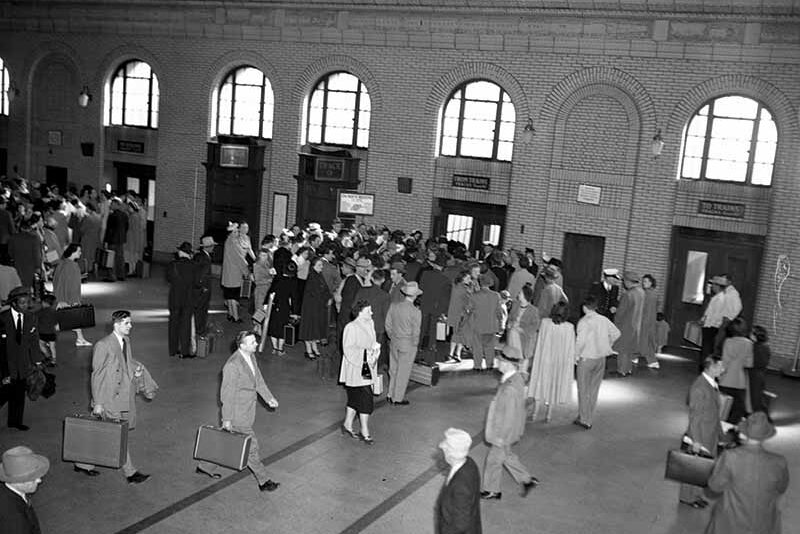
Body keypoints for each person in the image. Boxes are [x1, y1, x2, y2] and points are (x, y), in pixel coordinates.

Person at [195, 331, 280, 491]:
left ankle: (205, 467)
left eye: (255, 341)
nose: (256, 344)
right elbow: (226, 395)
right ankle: (264, 480)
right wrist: (227, 419)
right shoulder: (232, 365)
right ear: (242, 346)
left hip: (247, 410)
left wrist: (269, 398)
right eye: (252, 342)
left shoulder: (251, 357)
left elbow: (259, 381)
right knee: (251, 447)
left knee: (228, 440)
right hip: (237, 414)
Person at [74, 310, 151, 483]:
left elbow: (125, 361)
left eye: (130, 322)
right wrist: (99, 402)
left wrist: (135, 369)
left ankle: (83, 463)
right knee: (119, 433)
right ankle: (130, 473)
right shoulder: (103, 345)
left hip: (122, 394)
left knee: (103, 431)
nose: (130, 326)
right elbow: (97, 375)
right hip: (108, 397)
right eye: (127, 323)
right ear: (116, 325)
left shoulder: (126, 340)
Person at [705, 412, 789, 534]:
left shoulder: (730, 456)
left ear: (744, 434)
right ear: (765, 436)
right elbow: (781, 488)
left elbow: (715, 486)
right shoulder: (779, 461)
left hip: (730, 521)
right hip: (764, 523)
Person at [480, 346, 539, 501]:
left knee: (493, 461)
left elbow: (510, 414)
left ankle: (492, 490)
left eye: (500, 360)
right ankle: (527, 480)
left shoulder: (510, 387)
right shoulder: (514, 379)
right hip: (508, 430)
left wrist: (501, 436)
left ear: (508, 364)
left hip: (503, 431)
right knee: (506, 456)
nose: (497, 362)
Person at [679, 355, 725, 509]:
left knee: (703, 466)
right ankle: (687, 497)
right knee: (693, 467)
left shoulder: (711, 383)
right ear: (710, 367)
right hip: (701, 433)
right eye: (720, 366)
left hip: (709, 431)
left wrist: (719, 432)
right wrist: (696, 440)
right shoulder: (700, 387)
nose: (723, 369)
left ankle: (696, 494)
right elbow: (695, 416)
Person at [574, 296, 621, 430]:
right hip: (601, 358)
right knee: (594, 390)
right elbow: (617, 333)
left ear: (584, 307)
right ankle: (587, 415)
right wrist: (608, 344)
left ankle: (584, 419)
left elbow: (580, 342)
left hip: (586, 358)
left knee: (583, 389)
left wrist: (575, 356)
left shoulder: (583, 322)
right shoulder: (604, 319)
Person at [0, 286, 42, 431]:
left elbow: (34, 340)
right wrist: (3, 372)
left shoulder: (31, 317)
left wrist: (37, 361)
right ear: (13, 303)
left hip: (23, 363)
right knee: (4, 392)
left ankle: (15, 421)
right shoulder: (2, 319)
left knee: (19, 393)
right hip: (6, 363)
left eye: (27, 302)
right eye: (22, 303)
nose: (26, 305)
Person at [339, 300, 380, 444]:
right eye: (369, 311)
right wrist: (366, 352)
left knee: (355, 398)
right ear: (360, 312)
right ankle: (364, 430)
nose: (372, 313)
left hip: (367, 366)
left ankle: (347, 425)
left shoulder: (370, 324)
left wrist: (374, 351)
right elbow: (348, 349)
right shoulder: (351, 327)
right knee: (366, 400)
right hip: (356, 368)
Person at [527, 301, 575, 423]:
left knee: (540, 383)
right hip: (559, 361)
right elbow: (570, 348)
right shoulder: (569, 327)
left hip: (544, 359)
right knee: (554, 384)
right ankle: (549, 414)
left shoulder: (545, 323)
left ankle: (535, 412)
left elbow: (540, 342)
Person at [436, 428, 482, 534]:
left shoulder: (461, 487)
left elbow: (461, 524)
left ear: (452, 453)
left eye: (446, 447)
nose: (442, 448)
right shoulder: (469, 463)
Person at [385, 281, 422, 406]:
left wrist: (392, 336)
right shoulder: (416, 312)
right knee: (403, 372)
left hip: (394, 341)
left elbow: (388, 324)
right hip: (408, 343)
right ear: (415, 296)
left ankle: (390, 394)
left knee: (393, 370)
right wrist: (415, 344)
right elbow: (416, 331)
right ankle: (397, 398)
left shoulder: (394, 306)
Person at [0, 445, 49, 533]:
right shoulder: (15, 522)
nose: (39, 480)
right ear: (18, 481)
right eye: (33, 478)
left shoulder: (8, 490)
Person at [52, 243, 92, 347]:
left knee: (66, 322)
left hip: (61, 296)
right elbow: (71, 285)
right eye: (79, 251)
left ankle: (80, 339)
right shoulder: (72, 266)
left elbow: (58, 281)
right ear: (73, 252)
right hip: (68, 297)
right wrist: (73, 300)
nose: (80, 253)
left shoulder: (62, 264)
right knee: (74, 320)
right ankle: (80, 339)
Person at [718, 317, 753, 424]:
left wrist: (718, 375)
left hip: (726, 379)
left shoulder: (728, 342)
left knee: (723, 409)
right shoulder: (749, 343)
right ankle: (731, 431)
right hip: (740, 381)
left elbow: (725, 362)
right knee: (736, 410)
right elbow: (749, 364)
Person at [166, 242, 198, 359]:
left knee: (173, 323)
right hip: (188, 298)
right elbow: (196, 282)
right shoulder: (194, 265)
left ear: (181, 252)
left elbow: (168, 278)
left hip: (175, 298)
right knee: (186, 324)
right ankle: (184, 351)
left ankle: (173, 350)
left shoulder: (172, 264)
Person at [299, 256, 332, 360]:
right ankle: (309, 349)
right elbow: (317, 293)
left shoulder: (318, 275)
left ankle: (314, 347)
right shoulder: (312, 277)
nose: (321, 267)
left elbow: (325, 290)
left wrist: (328, 297)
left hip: (317, 307)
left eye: (321, 265)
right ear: (313, 266)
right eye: (319, 265)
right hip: (311, 308)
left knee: (314, 328)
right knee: (310, 328)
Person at [612, 270, 644, 377]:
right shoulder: (641, 292)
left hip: (625, 325)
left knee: (623, 349)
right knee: (629, 349)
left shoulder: (627, 295)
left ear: (628, 281)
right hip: (636, 324)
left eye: (624, 281)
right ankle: (628, 369)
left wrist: (615, 323)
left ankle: (621, 370)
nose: (623, 283)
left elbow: (620, 313)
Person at [221, 222, 254, 323]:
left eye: (237, 231)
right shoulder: (234, 242)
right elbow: (240, 259)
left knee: (230, 296)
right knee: (234, 296)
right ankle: (235, 317)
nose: (237, 233)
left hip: (228, 273)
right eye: (235, 231)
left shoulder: (229, 241)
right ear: (231, 232)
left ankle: (231, 314)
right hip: (234, 273)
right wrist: (247, 271)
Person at [469, 274, 502, 372]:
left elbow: (469, 309)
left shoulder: (474, 296)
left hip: (478, 324)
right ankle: (489, 364)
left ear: (480, 283)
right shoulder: (496, 296)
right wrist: (500, 324)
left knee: (477, 346)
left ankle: (477, 366)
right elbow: (499, 312)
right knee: (490, 346)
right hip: (491, 325)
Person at [266, 261, 300, 355]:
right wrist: (295, 312)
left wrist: (266, 304)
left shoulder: (277, 279)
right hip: (284, 307)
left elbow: (270, 291)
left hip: (274, 306)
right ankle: (280, 349)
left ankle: (274, 348)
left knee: (273, 328)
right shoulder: (292, 282)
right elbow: (294, 298)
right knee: (282, 329)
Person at [505, 284, 540, 369]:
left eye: (520, 293)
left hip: (524, 338)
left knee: (522, 359)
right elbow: (510, 318)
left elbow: (535, 325)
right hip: (512, 334)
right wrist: (509, 323)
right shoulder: (515, 305)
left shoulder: (534, 310)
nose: (518, 294)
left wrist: (522, 330)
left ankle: (520, 367)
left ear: (525, 295)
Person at [445, 270, 473, 363]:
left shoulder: (454, 286)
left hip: (454, 313)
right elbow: (468, 303)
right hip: (462, 314)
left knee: (455, 334)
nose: (470, 280)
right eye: (468, 278)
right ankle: (456, 354)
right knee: (461, 335)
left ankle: (452, 353)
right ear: (462, 278)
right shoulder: (464, 289)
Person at [192, 235, 216, 338]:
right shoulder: (206, 259)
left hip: (196, 288)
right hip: (203, 288)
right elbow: (202, 275)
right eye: (212, 246)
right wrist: (204, 287)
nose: (213, 247)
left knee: (198, 308)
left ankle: (198, 327)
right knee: (202, 309)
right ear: (208, 247)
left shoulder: (198, 256)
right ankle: (200, 329)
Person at [102, 197, 128, 282]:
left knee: (111, 258)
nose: (110, 206)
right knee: (120, 258)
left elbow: (109, 229)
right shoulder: (124, 215)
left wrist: (106, 241)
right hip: (121, 239)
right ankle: (121, 275)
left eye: (112, 204)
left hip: (112, 240)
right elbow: (127, 227)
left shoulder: (112, 216)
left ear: (117, 205)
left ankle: (112, 276)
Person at [637, 274, 660, 369]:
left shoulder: (648, 294)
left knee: (645, 341)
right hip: (649, 320)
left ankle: (652, 361)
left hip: (646, 320)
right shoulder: (652, 293)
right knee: (643, 340)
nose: (643, 283)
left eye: (646, 281)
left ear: (651, 283)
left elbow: (646, 310)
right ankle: (634, 355)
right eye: (643, 281)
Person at [749, 326, 771, 416]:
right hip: (760, 374)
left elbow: (752, 362)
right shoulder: (765, 346)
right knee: (758, 396)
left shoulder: (755, 347)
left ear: (755, 335)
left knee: (755, 398)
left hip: (754, 374)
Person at [37, 294, 58, 366]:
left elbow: (36, 320)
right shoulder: (54, 311)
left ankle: (47, 356)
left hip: (42, 333)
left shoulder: (40, 312)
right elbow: (55, 322)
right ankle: (54, 361)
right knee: (52, 347)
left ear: (44, 303)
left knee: (41, 344)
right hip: (51, 332)